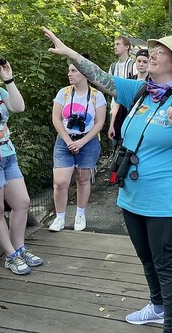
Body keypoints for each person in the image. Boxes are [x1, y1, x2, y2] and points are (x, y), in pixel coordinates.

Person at [43, 27, 172, 333]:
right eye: (152, 51)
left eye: (160, 52)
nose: (151, 55)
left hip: (164, 201)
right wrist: (70, 53)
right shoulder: (141, 91)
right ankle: (157, 307)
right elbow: (101, 79)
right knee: (147, 260)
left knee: (167, 266)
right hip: (132, 195)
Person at [0, 48, 43, 275]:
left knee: (22, 202)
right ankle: (10, 255)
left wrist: (8, 78)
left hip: (7, 155)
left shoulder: (0, 91)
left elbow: (19, 107)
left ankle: (19, 248)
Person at [48, 53, 106, 233]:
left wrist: (81, 142)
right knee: (60, 182)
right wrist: (67, 139)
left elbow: (99, 123)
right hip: (65, 141)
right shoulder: (63, 93)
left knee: (83, 179)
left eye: (74, 70)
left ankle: (80, 214)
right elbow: (56, 119)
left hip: (87, 142)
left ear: (84, 73)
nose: (69, 74)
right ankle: (60, 217)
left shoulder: (97, 96)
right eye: (69, 70)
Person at [107, 48, 150, 184]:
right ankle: (115, 178)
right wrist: (112, 124)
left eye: (145, 61)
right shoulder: (129, 81)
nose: (141, 64)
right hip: (123, 121)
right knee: (120, 150)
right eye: (139, 61)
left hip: (141, 124)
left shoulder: (153, 84)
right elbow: (117, 104)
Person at [107, 35, 136, 143]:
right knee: (114, 139)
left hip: (129, 109)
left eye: (118, 44)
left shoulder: (133, 66)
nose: (115, 47)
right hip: (114, 108)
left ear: (126, 47)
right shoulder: (113, 66)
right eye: (114, 44)